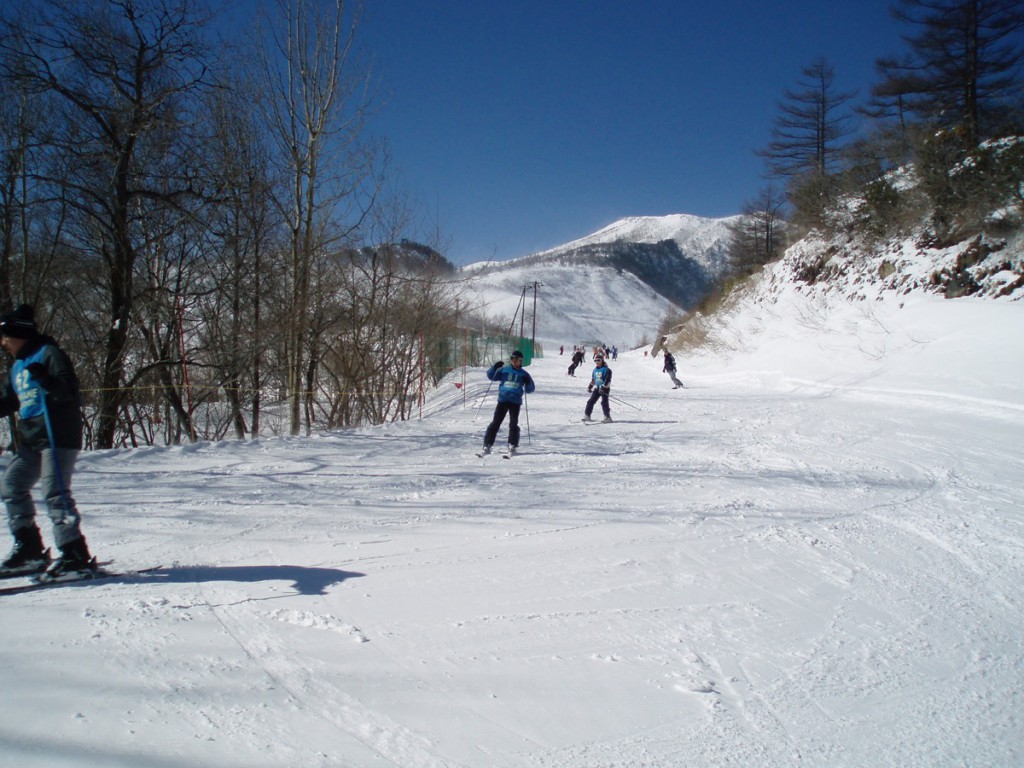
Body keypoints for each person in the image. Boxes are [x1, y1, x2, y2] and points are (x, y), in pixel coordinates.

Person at [0, 305, 97, 581]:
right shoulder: (17, 365)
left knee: (55, 493)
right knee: (12, 486)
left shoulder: (48, 354)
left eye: (5, 335)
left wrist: (46, 379)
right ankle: (29, 549)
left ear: (19, 333)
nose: (2, 342)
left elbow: (69, 390)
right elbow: (8, 401)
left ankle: (74, 554)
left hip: (58, 436)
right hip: (32, 441)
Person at [481, 350, 535, 456]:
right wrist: (495, 367)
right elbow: (491, 376)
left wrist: (528, 383)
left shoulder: (524, 374)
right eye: (512, 359)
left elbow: (530, 389)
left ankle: (512, 445)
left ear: (521, 361)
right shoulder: (504, 370)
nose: (514, 362)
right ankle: (487, 444)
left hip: (515, 402)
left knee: (513, 424)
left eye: (516, 360)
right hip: (503, 400)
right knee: (495, 423)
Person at [582, 353, 613, 422]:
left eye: (598, 360)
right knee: (590, 401)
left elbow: (608, 380)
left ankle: (607, 417)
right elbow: (593, 380)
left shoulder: (607, 370)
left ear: (602, 360)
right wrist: (590, 386)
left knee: (604, 402)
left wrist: (603, 387)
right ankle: (587, 415)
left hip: (605, 388)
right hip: (597, 388)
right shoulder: (595, 370)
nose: (597, 362)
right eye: (595, 361)